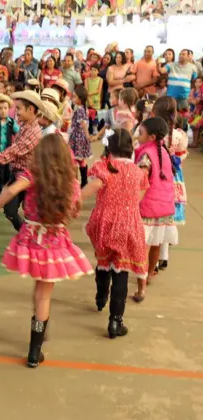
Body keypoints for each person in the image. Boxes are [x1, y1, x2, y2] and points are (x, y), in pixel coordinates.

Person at [0, 133, 93, 368]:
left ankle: (38, 333)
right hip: (55, 240)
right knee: (44, 292)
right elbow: (74, 211)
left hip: (32, 239)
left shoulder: (32, 174)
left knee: (38, 290)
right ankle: (35, 350)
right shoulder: (72, 182)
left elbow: (11, 191)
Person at [82, 129, 148, 339]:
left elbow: (92, 187)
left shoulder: (104, 168)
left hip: (103, 221)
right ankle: (115, 322)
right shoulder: (138, 172)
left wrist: (73, 201)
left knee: (104, 261)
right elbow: (139, 195)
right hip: (128, 224)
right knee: (122, 270)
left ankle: (101, 296)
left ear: (109, 149)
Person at [133, 117, 177, 303]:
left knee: (142, 249)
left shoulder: (146, 155)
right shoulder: (163, 152)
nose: (137, 135)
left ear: (151, 136)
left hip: (148, 207)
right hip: (164, 206)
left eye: (140, 133)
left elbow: (141, 182)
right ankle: (150, 274)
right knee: (156, 244)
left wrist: (132, 201)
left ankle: (141, 289)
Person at [0, 91, 43, 231]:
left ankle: (28, 236)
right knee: (10, 210)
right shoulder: (25, 125)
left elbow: (15, 150)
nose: (15, 112)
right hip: (18, 173)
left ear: (31, 109)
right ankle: (25, 234)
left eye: (18, 109)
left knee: (26, 211)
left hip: (27, 177)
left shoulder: (34, 132)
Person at [150, 97, 188, 272]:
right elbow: (182, 155)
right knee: (168, 217)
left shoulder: (154, 132)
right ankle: (164, 256)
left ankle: (155, 260)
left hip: (157, 176)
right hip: (174, 177)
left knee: (156, 218)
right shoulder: (180, 135)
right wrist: (176, 160)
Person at [69, 86, 92, 187]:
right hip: (79, 136)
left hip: (78, 137)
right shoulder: (82, 108)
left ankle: (76, 182)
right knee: (81, 160)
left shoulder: (79, 110)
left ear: (80, 99)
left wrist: (87, 136)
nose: (72, 99)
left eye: (74, 97)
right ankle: (84, 181)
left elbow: (83, 124)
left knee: (73, 159)